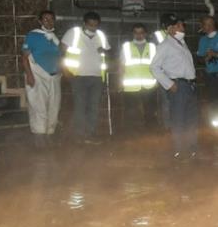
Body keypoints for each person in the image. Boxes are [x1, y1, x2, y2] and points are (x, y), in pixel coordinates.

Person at [150, 14, 199, 160]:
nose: (182, 28)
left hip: (189, 85)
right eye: (178, 26)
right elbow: (154, 68)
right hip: (178, 86)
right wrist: (169, 84)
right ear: (170, 29)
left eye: (182, 25)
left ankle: (192, 148)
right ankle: (178, 150)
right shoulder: (165, 46)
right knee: (178, 119)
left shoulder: (182, 43)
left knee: (191, 119)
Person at [61, 11, 111, 142]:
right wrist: (65, 70)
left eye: (95, 25)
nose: (93, 28)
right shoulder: (73, 33)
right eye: (90, 25)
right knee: (80, 106)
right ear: (84, 23)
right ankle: (79, 135)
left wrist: (104, 51)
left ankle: (91, 134)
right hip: (78, 76)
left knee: (94, 106)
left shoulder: (101, 35)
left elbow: (109, 53)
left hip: (96, 76)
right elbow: (61, 51)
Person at [20, 9, 62, 147]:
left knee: (54, 106)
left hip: (54, 76)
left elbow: (59, 57)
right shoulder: (33, 36)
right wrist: (30, 76)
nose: (49, 22)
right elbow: (25, 57)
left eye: (51, 19)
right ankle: (39, 137)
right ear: (40, 21)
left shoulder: (55, 38)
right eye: (45, 19)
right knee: (39, 106)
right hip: (38, 74)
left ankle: (50, 134)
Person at [119, 23, 157, 133]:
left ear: (145, 33)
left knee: (150, 111)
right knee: (131, 111)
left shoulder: (152, 47)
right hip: (131, 86)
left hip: (149, 85)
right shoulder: (126, 47)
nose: (139, 35)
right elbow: (121, 65)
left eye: (141, 32)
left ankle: (150, 133)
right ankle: (131, 133)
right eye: (136, 32)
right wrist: (120, 82)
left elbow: (157, 65)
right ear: (133, 34)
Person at [153, 13, 173, 130]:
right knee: (166, 102)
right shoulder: (157, 36)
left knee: (175, 102)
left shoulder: (178, 36)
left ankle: (175, 125)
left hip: (175, 73)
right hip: (163, 73)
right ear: (165, 26)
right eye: (171, 25)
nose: (174, 27)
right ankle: (167, 127)